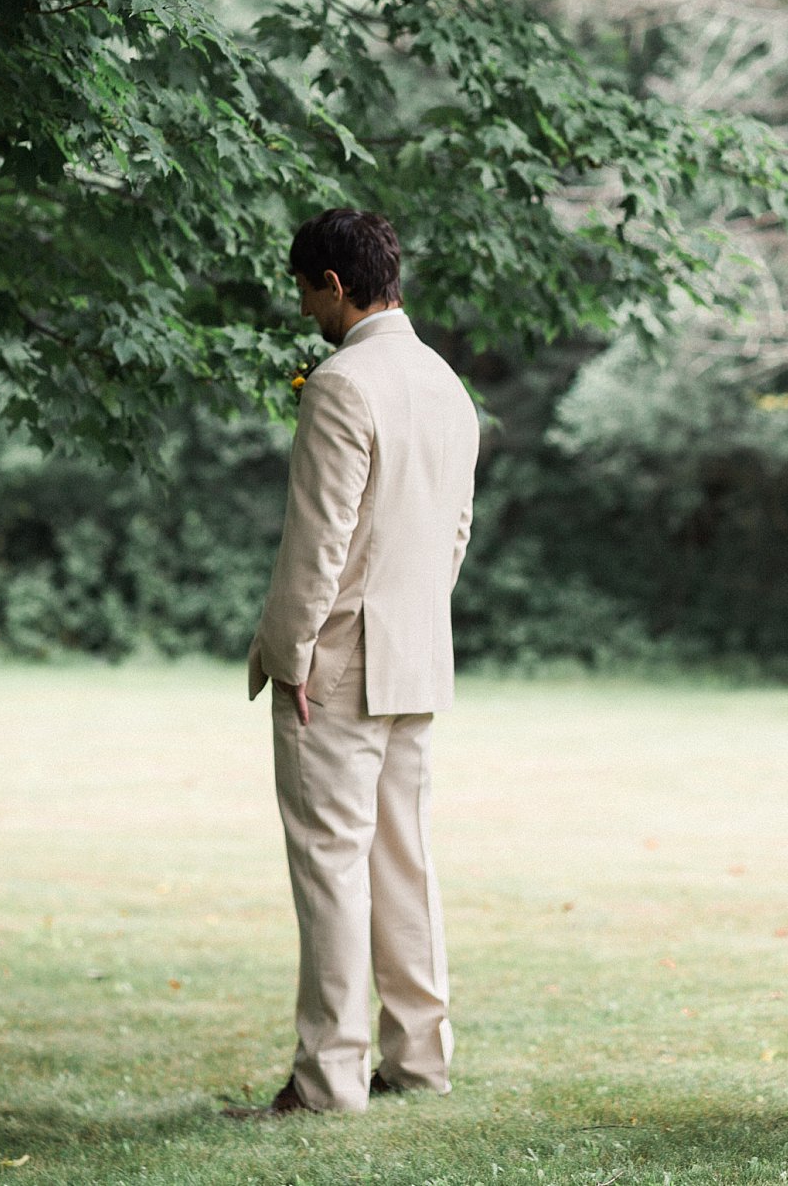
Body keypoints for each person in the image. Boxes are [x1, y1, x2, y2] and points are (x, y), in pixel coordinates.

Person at [225, 208, 480, 1118]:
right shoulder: (447, 384)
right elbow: (454, 533)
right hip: (417, 655)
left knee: (332, 865)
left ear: (334, 283)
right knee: (403, 863)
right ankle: (419, 1058)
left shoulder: (342, 381)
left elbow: (317, 540)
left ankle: (330, 1076)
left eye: (305, 290)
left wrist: (290, 654)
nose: (304, 309)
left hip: (336, 666)